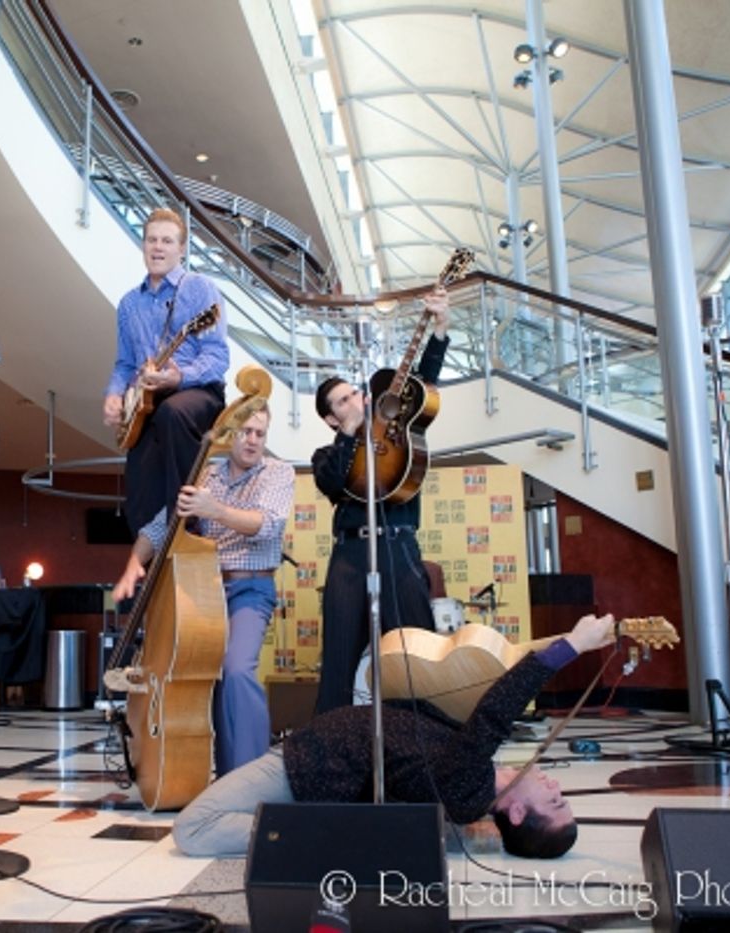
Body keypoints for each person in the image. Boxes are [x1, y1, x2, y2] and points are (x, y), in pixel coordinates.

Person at [172, 613, 618, 859]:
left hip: (305, 768)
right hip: (311, 756)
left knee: (193, 828)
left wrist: (572, 647)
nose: (557, 786)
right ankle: (310, 827)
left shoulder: (468, 792)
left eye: (555, 801)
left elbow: (496, 712)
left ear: (518, 813)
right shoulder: (474, 773)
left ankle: (314, 832)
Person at [113, 405, 295, 776]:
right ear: (231, 434)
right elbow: (161, 524)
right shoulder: (207, 474)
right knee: (193, 675)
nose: (252, 440)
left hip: (250, 588)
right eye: (245, 432)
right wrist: (135, 562)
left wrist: (215, 509)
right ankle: (188, 771)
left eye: (260, 433)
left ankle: (248, 778)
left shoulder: (279, 472)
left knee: (237, 670)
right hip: (202, 591)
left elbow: (266, 526)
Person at [311, 287, 449, 713]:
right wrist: (353, 435)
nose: (355, 401)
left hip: (399, 547)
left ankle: (429, 753)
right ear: (332, 417)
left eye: (356, 393)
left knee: (416, 659)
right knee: (338, 662)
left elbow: (420, 388)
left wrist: (439, 329)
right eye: (343, 401)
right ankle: (327, 761)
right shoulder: (327, 456)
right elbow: (335, 481)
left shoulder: (397, 435)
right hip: (350, 555)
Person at [104, 207, 229, 534]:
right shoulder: (129, 304)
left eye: (167, 241)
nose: (158, 247)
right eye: (151, 240)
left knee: (172, 414)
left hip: (198, 393)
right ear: (143, 245)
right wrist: (114, 395)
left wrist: (180, 376)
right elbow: (125, 364)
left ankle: (186, 525)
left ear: (182, 248)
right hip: (147, 400)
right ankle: (148, 554)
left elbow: (218, 356)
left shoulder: (199, 289)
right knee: (139, 492)